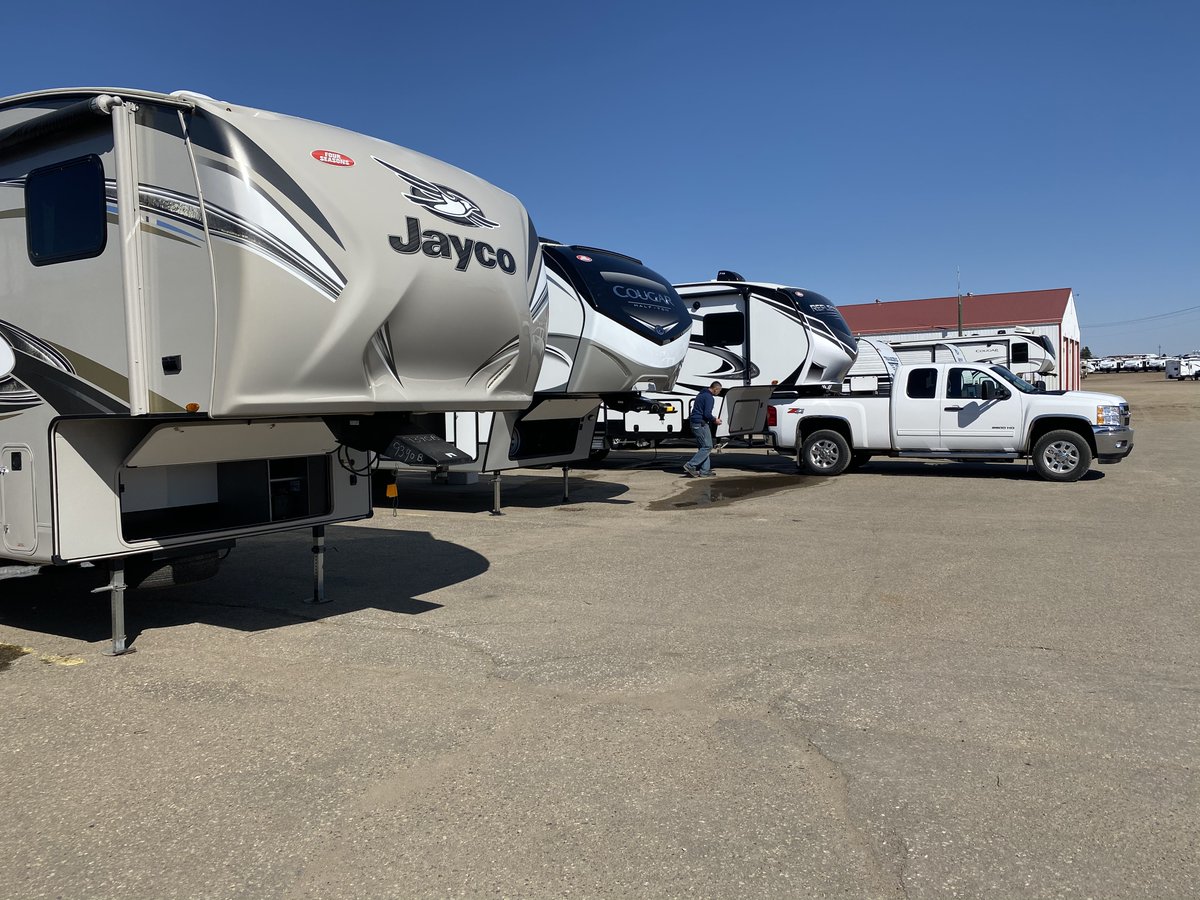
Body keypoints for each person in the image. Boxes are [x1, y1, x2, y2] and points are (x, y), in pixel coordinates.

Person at [684, 382, 722, 477]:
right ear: (715, 389)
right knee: (707, 447)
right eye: (719, 391)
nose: (719, 393)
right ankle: (690, 465)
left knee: (703, 447)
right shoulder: (709, 397)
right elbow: (707, 414)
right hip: (701, 424)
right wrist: (715, 420)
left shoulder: (701, 394)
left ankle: (705, 471)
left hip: (695, 422)